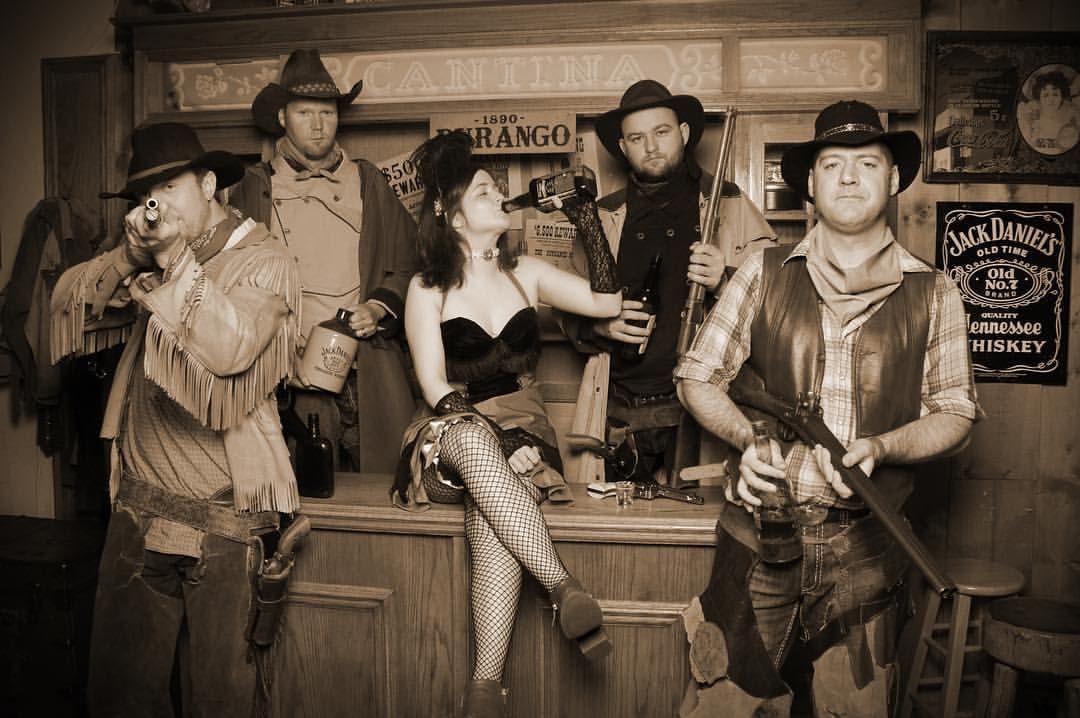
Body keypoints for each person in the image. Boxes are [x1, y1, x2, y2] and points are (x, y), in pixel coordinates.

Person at [674, 100, 983, 716]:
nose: (848, 176)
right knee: (725, 703)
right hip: (757, 535)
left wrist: (882, 447)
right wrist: (747, 440)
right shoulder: (761, 271)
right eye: (832, 163)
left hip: (867, 549)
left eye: (867, 163)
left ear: (893, 179)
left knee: (854, 708)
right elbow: (696, 377)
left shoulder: (936, 291)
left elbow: (957, 413)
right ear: (810, 185)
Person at [50, 122, 301, 717]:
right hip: (136, 512)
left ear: (209, 184)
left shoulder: (265, 260)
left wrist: (171, 258)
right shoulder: (148, 262)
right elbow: (62, 308)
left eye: (167, 187)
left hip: (225, 524)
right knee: (118, 698)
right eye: (144, 194)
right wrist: (128, 256)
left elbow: (230, 352)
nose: (154, 204)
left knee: (221, 701)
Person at [390, 131, 622, 718]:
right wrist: (497, 441)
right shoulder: (426, 287)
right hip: (451, 432)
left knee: (492, 510)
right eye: (484, 191)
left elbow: (608, 303)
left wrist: (586, 219)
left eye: (498, 189)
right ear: (452, 215)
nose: (500, 196)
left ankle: (484, 689)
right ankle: (562, 585)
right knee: (477, 444)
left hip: (527, 433)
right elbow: (433, 384)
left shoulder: (528, 273)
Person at [561, 79, 776, 484]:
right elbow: (562, 301)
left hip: (704, 407)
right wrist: (597, 326)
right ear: (623, 147)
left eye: (661, 132)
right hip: (618, 408)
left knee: (702, 517)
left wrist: (725, 282)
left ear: (684, 133)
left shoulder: (730, 203)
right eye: (636, 138)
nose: (650, 146)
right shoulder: (601, 215)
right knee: (615, 518)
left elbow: (778, 304)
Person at [230, 48, 419, 473]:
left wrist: (378, 308)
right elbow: (230, 283)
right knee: (304, 487)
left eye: (327, 113)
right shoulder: (253, 186)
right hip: (291, 371)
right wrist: (278, 346)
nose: (318, 125)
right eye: (304, 113)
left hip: (368, 366)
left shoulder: (368, 180)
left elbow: (411, 263)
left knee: (385, 481)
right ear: (283, 117)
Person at [1018, 68, 1080, 155]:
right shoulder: (1031, 115)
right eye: (1045, 95)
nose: (1051, 99)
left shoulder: (1072, 114)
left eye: (1055, 94)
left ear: (1062, 96)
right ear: (1039, 98)